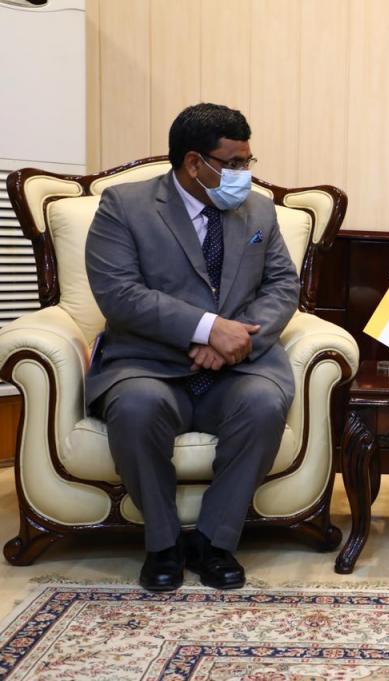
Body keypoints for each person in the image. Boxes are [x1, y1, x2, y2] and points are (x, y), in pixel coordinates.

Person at [85, 103, 300, 592]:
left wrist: (234, 340)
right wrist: (206, 329)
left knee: (264, 404)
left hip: (238, 366)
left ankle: (214, 542)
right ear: (193, 163)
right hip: (150, 364)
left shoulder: (260, 210)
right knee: (136, 407)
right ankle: (163, 545)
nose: (244, 174)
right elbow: (119, 294)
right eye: (233, 163)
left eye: (248, 161)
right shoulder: (124, 206)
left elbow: (283, 286)